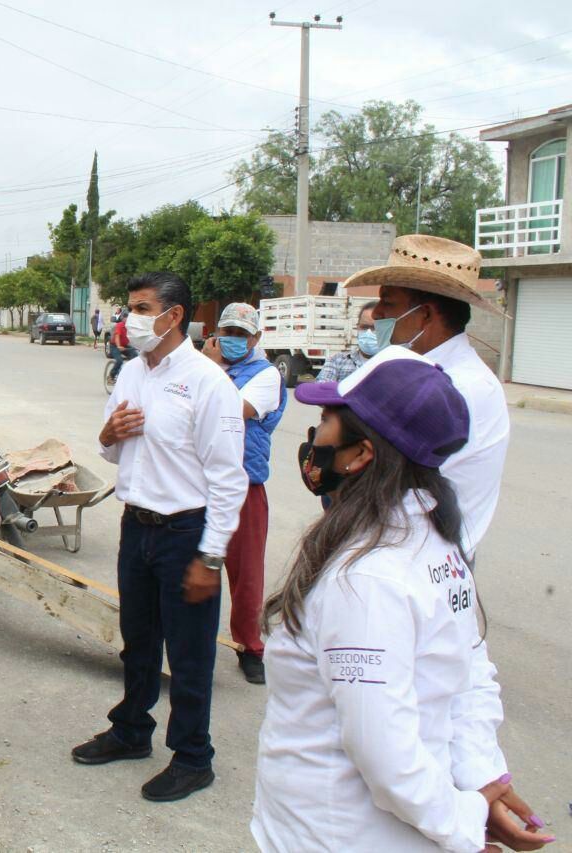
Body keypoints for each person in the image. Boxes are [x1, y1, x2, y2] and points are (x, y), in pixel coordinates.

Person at [252, 346, 552, 853]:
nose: (315, 437)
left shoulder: (368, 579)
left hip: (334, 834)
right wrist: (481, 777)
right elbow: (468, 667)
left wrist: (466, 818)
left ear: (362, 454)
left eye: (326, 419)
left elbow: (384, 755)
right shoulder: (437, 541)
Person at [73, 272, 247, 803]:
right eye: (129, 308)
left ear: (174, 317)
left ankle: (194, 757)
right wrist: (106, 436)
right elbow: (111, 448)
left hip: (186, 533)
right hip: (137, 527)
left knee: (190, 654)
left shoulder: (207, 382)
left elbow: (228, 478)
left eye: (142, 308)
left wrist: (210, 556)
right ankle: (131, 731)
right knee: (139, 643)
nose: (131, 319)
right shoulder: (130, 374)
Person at [353, 234, 509, 557]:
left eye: (388, 302)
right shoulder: (422, 373)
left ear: (425, 315)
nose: (376, 314)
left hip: (421, 559)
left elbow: (392, 481)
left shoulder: (460, 388)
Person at [201, 303, 285, 685]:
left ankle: (251, 647)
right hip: (199, 482)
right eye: (228, 332)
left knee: (246, 572)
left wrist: (212, 368)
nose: (234, 340)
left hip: (244, 485)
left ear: (256, 338)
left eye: (241, 334)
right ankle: (195, 641)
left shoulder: (266, 375)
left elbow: (235, 410)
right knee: (197, 566)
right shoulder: (202, 367)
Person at [316, 303, 378, 383]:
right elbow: (323, 389)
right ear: (357, 327)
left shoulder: (394, 363)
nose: (368, 333)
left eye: (375, 328)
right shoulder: (337, 360)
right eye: (364, 327)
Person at [108, 313, 136, 381]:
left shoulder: (131, 327)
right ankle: (111, 376)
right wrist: (119, 346)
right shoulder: (120, 325)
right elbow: (117, 336)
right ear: (123, 319)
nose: (128, 320)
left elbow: (135, 337)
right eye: (126, 318)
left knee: (136, 357)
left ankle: (131, 375)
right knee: (119, 360)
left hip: (124, 345)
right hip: (114, 345)